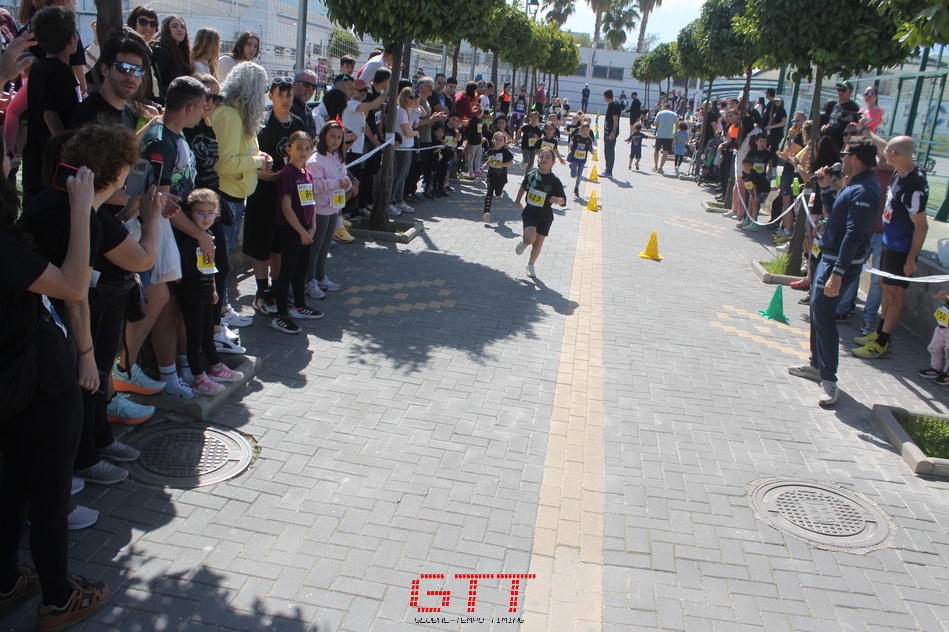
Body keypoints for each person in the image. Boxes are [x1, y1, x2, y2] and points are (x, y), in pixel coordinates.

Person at [0, 155, 113, 631]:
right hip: (38, 381)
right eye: (4, 154)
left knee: (12, 487)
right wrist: (82, 210)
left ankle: (7, 582)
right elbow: (71, 285)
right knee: (49, 496)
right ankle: (59, 599)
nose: (12, 158)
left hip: (12, 381)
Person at [788, 138, 881, 407]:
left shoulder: (864, 190)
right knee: (817, 310)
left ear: (855, 158)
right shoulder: (855, 184)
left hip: (838, 262)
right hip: (830, 257)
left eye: (845, 154)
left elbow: (853, 234)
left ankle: (829, 379)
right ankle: (816, 364)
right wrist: (826, 188)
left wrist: (837, 273)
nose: (842, 159)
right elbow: (836, 216)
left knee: (824, 314)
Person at [852, 136, 929, 360]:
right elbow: (886, 145)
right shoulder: (901, 168)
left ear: (894, 155)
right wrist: (867, 131)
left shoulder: (913, 187)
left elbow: (922, 227)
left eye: (886, 152)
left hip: (901, 248)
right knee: (884, 286)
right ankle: (879, 332)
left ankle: (882, 343)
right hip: (888, 240)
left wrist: (911, 259)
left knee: (895, 295)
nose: (882, 155)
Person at [243, 76, 307, 316]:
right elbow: (251, 159)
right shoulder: (262, 124)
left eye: (289, 95)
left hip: (288, 195)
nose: (285, 100)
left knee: (279, 245)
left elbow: (305, 155)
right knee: (261, 243)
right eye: (280, 94)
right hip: (263, 193)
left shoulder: (297, 123)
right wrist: (269, 176)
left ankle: (278, 288)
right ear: (270, 95)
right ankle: (262, 292)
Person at [210, 62, 271, 258]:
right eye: (264, 89)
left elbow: (244, 152)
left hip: (235, 198)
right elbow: (224, 163)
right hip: (226, 198)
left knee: (224, 259)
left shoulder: (239, 114)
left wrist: (260, 156)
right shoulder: (229, 115)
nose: (264, 95)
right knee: (220, 261)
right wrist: (258, 162)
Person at [22, 5, 80, 202]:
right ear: (72, 40)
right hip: (51, 163)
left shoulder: (37, 68)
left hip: (33, 156)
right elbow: (50, 115)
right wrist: (68, 150)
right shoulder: (62, 72)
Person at [304, 124, 351, 304]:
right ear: (324, 136)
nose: (335, 141)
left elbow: (343, 175)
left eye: (339, 137)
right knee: (315, 247)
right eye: (332, 136)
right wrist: (336, 183)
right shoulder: (316, 159)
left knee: (325, 245)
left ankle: (320, 277)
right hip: (320, 208)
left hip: (333, 207)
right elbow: (313, 185)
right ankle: (309, 281)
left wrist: (345, 183)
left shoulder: (336, 156)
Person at [513, 148, 566, 279]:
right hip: (531, 211)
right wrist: (518, 201)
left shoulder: (554, 180)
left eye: (548, 157)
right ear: (538, 159)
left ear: (553, 162)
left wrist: (557, 200)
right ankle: (524, 242)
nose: (544, 159)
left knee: (537, 245)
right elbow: (523, 187)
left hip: (545, 215)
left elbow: (563, 200)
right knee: (530, 238)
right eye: (542, 157)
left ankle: (531, 265)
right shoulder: (531, 176)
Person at [150, 15, 191, 102]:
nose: (180, 29)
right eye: (174, 26)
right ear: (166, 30)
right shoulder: (159, 51)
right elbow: (157, 83)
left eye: (182, 27)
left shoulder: (183, 52)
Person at [481, 131, 514, 223]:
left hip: (501, 176)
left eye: (500, 140)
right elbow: (490, 159)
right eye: (496, 139)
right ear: (493, 140)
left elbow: (511, 163)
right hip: (491, 175)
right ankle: (486, 212)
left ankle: (499, 192)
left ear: (504, 142)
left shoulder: (505, 152)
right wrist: (486, 164)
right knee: (489, 193)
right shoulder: (491, 150)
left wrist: (501, 165)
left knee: (498, 192)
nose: (498, 142)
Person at [917, 291, 949, 385]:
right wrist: (945, 298)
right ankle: (935, 368)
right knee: (933, 347)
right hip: (941, 326)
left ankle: (947, 373)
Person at [823, 81, 860, 148]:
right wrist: (826, 126)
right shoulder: (836, 105)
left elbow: (854, 127)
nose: (840, 92)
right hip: (828, 140)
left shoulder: (853, 107)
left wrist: (846, 146)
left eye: (843, 90)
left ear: (851, 92)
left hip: (839, 143)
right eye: (839, 89)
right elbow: (833, 120)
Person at [567, 121, 595, 196]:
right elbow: (571, 143)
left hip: (582, 160)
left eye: (586, 130)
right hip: (575, 158)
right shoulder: (577, 137)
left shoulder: (588, 140)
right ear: (580, 130)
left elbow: (590, 148)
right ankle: (572, 166)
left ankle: (576, 188)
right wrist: (569, 150)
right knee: (573, 175)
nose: (585, 132)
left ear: (589, 131)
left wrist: (592, 151)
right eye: (583, 130)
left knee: (579, 175)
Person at [652, 102, 678, 175]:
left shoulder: (660, 113)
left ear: (663, 107)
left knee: (656, 150)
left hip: (660, 134)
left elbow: (655, 123)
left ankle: (656, 166)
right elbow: (677, 123)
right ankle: (661, 167)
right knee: (665, 152)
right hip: (669, 135)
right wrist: (675, 132)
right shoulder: (674, 114)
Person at [291, 68, 318, 137]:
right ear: (294, 84)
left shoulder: (307, 111)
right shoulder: (286, 108)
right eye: (306, 84)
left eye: (314, 86)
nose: (310, 89)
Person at [602, 89, 622, 177]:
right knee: (606, 150)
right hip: (607, 131)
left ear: (605, 97)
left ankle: (609, 171)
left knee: (610, 151)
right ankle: (607, 169)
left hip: (611, 132)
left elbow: (615, 119)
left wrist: (614, 131)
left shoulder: (614, 105)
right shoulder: (611, 104)